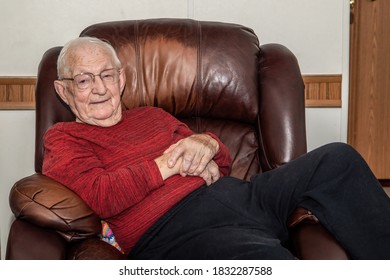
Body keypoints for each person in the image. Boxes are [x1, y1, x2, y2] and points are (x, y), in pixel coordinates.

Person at [42, 37, 390, 260]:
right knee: (269, 263)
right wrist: (169, 164)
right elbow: (102, 194)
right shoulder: (64, 139)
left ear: (121, 79)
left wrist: (206, 143)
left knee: (337, 158)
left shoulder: (152, 116)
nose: (100, 88)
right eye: (84, 80)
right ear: (63, 91)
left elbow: (221, 161)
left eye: (107, 75)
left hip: (241, 194)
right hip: (176, 232)